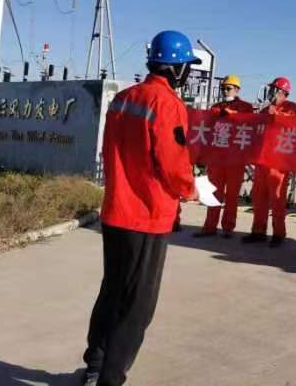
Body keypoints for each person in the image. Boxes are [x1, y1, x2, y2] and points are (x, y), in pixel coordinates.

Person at [82, 30, 200, 386]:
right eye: (186, 66)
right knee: (137, 305)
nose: (188, 73)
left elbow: (111, 151)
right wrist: (191, 189)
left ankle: (95, 366)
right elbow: (173, 163)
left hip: (115, 211)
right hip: (147, 216)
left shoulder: (123, 99)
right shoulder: (168, 104)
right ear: (175, 68)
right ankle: (110, 378)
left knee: (112, 290)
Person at [243, 77, 296, 247]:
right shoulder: (265, 110)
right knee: (259, 197)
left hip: (279, 163)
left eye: (272, 89)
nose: (270, 92)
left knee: (277, 199)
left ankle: (278, 234)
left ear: (282, 92)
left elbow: (295, 126)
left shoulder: (292, 108)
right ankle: (258, 231)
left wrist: (275, 113)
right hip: (262, 161)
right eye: (270, 89)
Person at [193, 75, 254, 238]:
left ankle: (228, 228)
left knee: (232, 196)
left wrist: (232, 114)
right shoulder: (216, 108)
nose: (225, 91)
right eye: (223, 88)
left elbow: (250, 124)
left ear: (237, 90)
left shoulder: (246, 107)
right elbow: (206, 128)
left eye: (228, 88)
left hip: (235, 160)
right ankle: (209, 227)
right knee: (213, 193)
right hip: (217, 159)